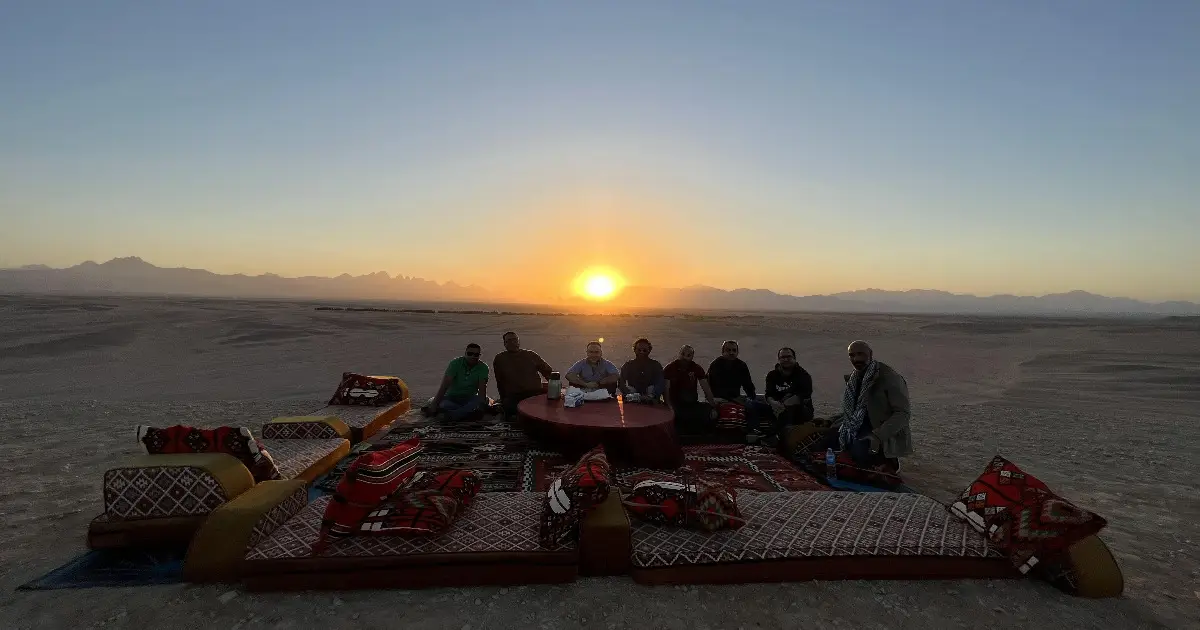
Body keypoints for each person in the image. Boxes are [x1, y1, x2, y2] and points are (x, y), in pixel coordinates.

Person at [829, 340, 913, 468]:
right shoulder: (854, 378)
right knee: (826, 439)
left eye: (861, 354)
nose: (856, 359)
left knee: (859, 456)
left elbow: (903, 413)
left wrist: (878, 436)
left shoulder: (890, 378)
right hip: (860, 424)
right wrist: (831, 421)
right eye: (852, 355)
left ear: (870, 354)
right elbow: (856, 410)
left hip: (879, 429)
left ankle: (889, 462)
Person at [706, 339, 771, 437]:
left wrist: (751, 397)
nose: (731, 353)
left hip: (736, 396)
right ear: (723, 352)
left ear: (737, 352)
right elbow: (714, 387)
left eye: (734, 350)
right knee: (750, 407)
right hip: (718, 397)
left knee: (763, 401)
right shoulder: (716, 365)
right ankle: (753, 431)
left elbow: (748, 385)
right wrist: (735, 399)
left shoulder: (741, 365)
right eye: (728, 350)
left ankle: (772, 430)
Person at [492, 331, 554, 418]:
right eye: (509, 340)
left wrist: (555, 389)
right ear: (505, 344)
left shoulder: (531, 355)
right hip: (514, 396)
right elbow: (500, 381)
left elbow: (548, 373)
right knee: (512, 412)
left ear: (518, 341)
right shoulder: (500, 359)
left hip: (534, 393)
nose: (513, 342)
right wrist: (503, 399)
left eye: (515, 339)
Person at [425, 343, 490, 421]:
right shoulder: (455, 363)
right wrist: (434, 404)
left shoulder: (483, 367)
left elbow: (482, 389)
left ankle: (453, 415)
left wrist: (481, 407)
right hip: (451, 397)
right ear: (465, 354)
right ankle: (464, 414)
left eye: (476, 354)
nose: (473, 356)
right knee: (444, 404)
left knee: (482, 400)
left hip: (469, 398)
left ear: (479, 355)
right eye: (470, 354)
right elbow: (445, 386)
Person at [662, 344, 718, 433]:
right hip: (676, 403)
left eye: (688, 355)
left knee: (712, 413)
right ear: (679, 354)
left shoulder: (696, 368)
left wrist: (713, 406)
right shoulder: (670, 368)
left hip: (692, 403)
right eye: (683, 354)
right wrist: (669, 406)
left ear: (692, 357)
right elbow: (666, 390)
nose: (685, 357)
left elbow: (706, 388)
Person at [764, 346, 815, 430]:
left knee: (790, 409)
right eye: (782, 357)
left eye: (789, 357)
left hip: (800, 410)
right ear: (779, 359)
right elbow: (768, 394)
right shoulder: (772, 375)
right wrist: (773, 403)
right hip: (777, 407)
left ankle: (783, 435)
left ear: (794, 358)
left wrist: (783, 406)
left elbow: (803, 395)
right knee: (753, 405)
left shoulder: (803, 375)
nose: (786, 359)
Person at [619, 337, 665, 402]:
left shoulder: (655, 365)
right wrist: (628, 393)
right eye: (639, 350)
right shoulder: (628, 365)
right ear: (634, 350)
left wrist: (652, 394)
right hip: (633, 395)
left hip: (650, 395)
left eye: (644, 350)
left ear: (649, 350)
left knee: (651, 388)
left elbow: (660, 382)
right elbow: (621, 381)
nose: (642, 352)